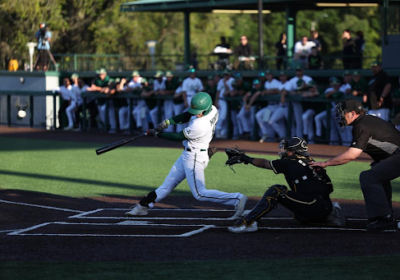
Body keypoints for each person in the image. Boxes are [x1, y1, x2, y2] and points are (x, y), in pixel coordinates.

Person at [125, 92, 248, 218]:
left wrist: (157, 134)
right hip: (189, 154)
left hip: (195, 157)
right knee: (166, 186)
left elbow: (178, 136)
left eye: (199, 111)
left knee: (199, 194)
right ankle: (143, 206)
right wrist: (167, 122)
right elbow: (187, 115)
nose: (196, 113)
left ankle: (237, 198)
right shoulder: (213, 109)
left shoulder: (200, 125)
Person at [310, 99, 400, 231]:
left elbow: (352, 154)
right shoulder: (368, 120)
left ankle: (384, 218)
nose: (340, 116)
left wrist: (326, 163)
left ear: (352, 113)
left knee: (368, 177)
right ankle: (385, 215)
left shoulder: (361, 125)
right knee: (377, 175)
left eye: (343, 113)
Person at [226, 137, 346, 233]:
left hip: (314, 206)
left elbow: (264, 163)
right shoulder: (313, 162)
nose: (284, 151)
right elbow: (330, 188)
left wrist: (245, 158)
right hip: (325, 206)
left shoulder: (289, 162)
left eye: (287, 149)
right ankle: (326, 214)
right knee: (298, 215)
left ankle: (248, 223)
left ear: (292, 152)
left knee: (277, 190)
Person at [86, 68, 116, 133]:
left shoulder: (109, 79)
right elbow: (92, 87)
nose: (101, 75)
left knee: (111, 115)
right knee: (103, 117)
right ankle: (107, 128)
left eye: (102, 74)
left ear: (105, 74)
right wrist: (101, 89)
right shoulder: (97, 80)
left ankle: (113, 129)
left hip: (109, 101)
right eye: (100, 74)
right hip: (100, 101)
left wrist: (97, 88)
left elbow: (108, 89)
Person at [215, 69, 234, 139]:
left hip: (226, 101)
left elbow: (231, 90)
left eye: (227, 74)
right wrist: (216, 101)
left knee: (223, 117)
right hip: (220, 100)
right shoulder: (221, 81)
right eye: (224, 75)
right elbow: (218, 92)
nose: (225, 76)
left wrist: (225, 83)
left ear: (229, 74)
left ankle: (220, 131)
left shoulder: (232, 80)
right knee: (219, 117)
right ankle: (218, 133)